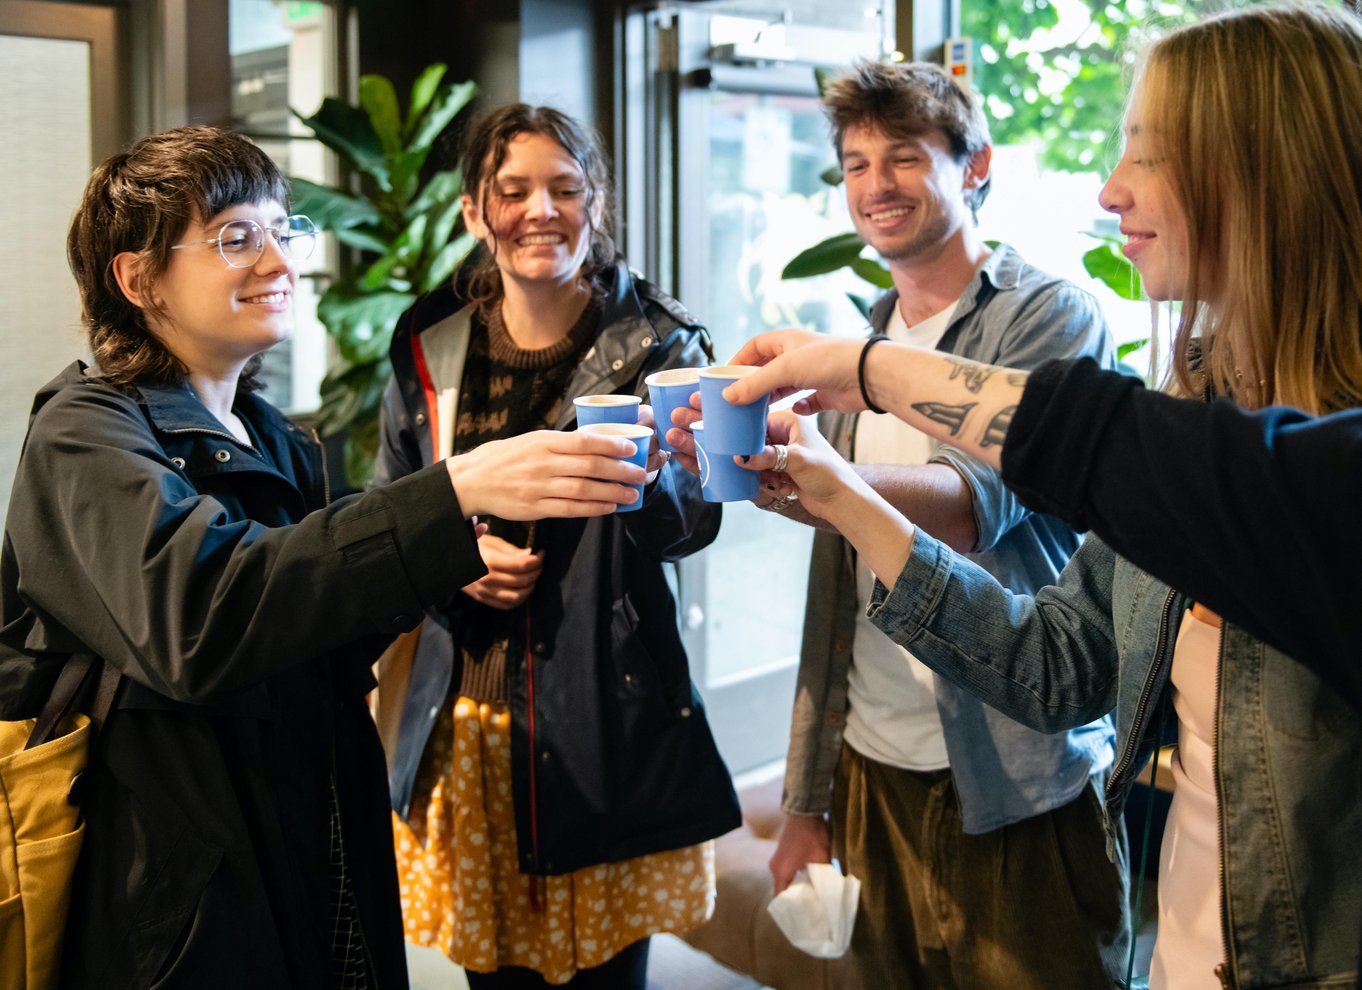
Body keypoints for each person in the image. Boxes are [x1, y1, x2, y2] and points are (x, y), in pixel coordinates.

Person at [725, 5, 1362, 987]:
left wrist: (867, 374)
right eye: (854, 163)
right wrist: (827, 489)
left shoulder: (1230, 444)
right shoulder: (1195, 407)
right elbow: (1056, 659)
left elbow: (1034, 474)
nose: (1111, 192)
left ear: (1269, 171)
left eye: (1151, 154)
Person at [0, 125, 651, 989]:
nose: (279, 260)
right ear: (140, 278)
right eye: (237, 237)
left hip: (312, 850)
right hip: (177, 898)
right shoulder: (86, 434)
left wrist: (451, 549)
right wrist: (451, 493)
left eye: (283, 230)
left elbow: (311, 634)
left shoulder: (270, 435)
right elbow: (204, 621)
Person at [671, 61, 1129, 988]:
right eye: (854, 163)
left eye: (905, 156)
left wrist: (822, 477)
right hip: (874, 771)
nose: (875, 184)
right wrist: (807, 797)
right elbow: (836, 588)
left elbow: (975, 504)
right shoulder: (855, 341)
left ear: (975, 166)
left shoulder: (1048, 319)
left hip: (1019, 772)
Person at [372, 104, 739, 988]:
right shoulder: (430, 343)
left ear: (597, 203)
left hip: (602, 716)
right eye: (514, 190)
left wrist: (669, 470)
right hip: (467, 725)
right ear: (472, 212)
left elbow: (694, 527)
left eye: (566, 189)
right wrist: (448, 559)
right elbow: (387, 517)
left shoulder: (659, 342)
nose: (543, 209)